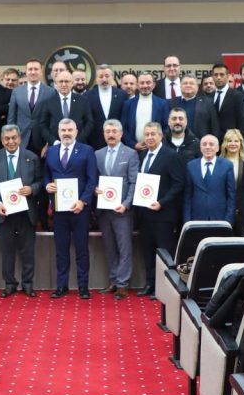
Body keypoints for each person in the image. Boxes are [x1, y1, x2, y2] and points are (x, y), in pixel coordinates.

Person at [43, 119, 99, 299]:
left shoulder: (87, 150)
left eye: (69, 130)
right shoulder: (51, 151)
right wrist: (47, 185)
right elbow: (46, 175)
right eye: (63, 130)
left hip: (79, 210)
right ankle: (62, 285)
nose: (66, 133)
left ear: (76, 131)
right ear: (58, 132)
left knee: (81, 249)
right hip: (59, 210)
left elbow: (92, 179)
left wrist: (83, 201)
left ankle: (83, 286)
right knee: (61, 249)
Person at [0, 124, 41, 297]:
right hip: (4, 213)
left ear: (20, 138)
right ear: (2, 140)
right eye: (7, 139)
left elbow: (40, 181)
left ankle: (28, 283)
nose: (11, 141)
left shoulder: (31, 157)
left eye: (14, 138)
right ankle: (9, 283)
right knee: (7, 250)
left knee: (27, 250)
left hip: (26, 213)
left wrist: (32, 189)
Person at [134, 121, 185, 298]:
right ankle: (150, 283)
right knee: (147, 251)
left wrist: (162, 202)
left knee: (164, 253)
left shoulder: (171, 156)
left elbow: (179, 184)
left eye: (152, 134)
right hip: (144, 214)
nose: (149, 137)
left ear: (161, 136)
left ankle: (164, 287)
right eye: (146, 134)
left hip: (163, 215)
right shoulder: (142, 155)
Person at [94, 120, 138, 299]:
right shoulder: (97, 154)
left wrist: (126, 204)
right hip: (104, 211)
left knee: (124, 248)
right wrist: (95, 189)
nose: (111, 134)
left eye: (114, 131)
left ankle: (122, 284)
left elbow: (134, 182)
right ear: (103, 134)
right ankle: (113, 280)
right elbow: (94, 179)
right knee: (110, 247)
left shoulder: (131, 153)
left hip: (122, 211)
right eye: (108, 131)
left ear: (121, 134)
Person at [183, 134, 236, 225]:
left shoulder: (227, 165)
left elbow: (231, 196)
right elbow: (188, 196)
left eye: (211, 144)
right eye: (204, 144)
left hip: (220, 218)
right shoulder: (191, 166)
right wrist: (187, 221)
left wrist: (228, 221)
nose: (207, 147)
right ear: (200, 148)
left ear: (217, 148)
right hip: (196, 218)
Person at [38, 69, 94, 153]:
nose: (64, 84)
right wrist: (54, 141)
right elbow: (43, 125)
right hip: (55, 147)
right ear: (56, 84)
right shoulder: (48, 102)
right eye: (61, 81)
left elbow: (89, 123)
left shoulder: (83, 101)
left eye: (67, 81)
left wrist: (77, 141)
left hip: (79, 146)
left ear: (72, 83)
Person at [7, 58, 56, 151]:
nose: (33, 72)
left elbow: (53, 120)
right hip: (21, 140)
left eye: (36, 69)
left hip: (42, 140)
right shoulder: (16, 92)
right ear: (26, 72)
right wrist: (12, 140)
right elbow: (11, 119)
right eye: (30, 69)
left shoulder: (51, 92)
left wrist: (48, 143)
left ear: (41, 71)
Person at [121, 72, 169, 150]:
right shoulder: (128, 104)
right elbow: (123, 128)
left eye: (148, 82)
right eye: (142, 83)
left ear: (154, 85)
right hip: (133, 149)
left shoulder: (162, 104)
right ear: (137, 85)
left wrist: (156, 142)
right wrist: (133, 144)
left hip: (155, 148)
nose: (145, 86)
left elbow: (166, 127)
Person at [84, 64, 124, 150]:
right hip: (94, 142)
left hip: (117, 141)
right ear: (96, 79)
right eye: (101, 76)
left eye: (107, 76)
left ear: (112, 77)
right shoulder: (87, 96)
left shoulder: (122, 95)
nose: (104, 79)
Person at [210, 63, 244, 141]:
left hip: (231, 142)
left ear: (228, 76)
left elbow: (243, 122)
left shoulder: (237, 96)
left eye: (222, 74)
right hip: (212, 142)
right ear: (212, 76)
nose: (218, 77)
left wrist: (239, 141)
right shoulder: (208, 97)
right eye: (216, 75)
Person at [173, 75, 219, 140]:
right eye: (185, 83)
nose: (188, 85)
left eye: (191, 83)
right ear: (180, 86)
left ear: (197, 87)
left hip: (200, 143)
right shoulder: (171, 103)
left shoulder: (208, 103)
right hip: (176, 143)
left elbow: (214, 127)